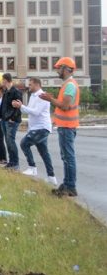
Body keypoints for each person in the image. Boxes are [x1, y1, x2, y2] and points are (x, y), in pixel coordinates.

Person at [40, 57, 80, 197]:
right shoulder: (67, 84)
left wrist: (50, 99)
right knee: (66, 156)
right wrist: (52, 99)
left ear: (66, 69)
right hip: (65, 126)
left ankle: (70, 186)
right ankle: (67, 184)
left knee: (68, 157)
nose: (57, 70)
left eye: (59, 68)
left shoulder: (70, 85)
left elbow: (65, 106)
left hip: (68, 126)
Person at [12, 77, 57, 185]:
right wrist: (20, 106)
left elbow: (36, 112)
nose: (29, 86)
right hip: (36, 127)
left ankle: (32, 168)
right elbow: (30, 111)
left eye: (31, 84)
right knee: (44, 152)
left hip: (41, 128)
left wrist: (21, 106)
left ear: (37, 85)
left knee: (24, 143)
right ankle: (51, 177)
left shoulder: (42, 96)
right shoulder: (33, 96)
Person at [0, 73, 23, 170]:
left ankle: (15, 163)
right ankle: (11, 162)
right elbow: (3, 106)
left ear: (5, 80)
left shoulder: (16, 91)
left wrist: (12, 118)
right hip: (4, 119)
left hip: (11, 120)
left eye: (2, 80)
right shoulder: (6, 92)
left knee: (11, 141)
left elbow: (18, 106)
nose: (2, 82)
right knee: (7, 141)